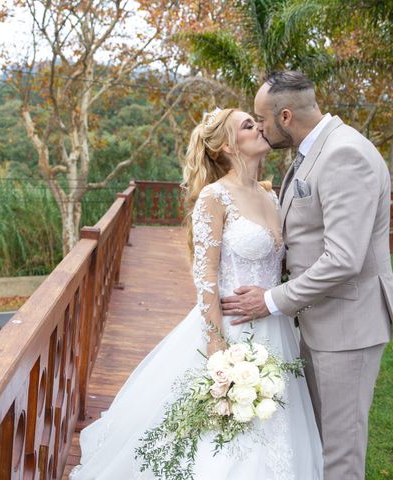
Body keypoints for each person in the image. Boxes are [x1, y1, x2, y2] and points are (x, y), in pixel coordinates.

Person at [69, 107, 323, 479]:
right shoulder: (214, 198)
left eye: (256, 122)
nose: (259, 128)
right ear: (224, 146)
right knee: (222, 435)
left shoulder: (272, 196)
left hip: (276, 328)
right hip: (231, 329)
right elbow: (204, 276)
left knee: (277, 429)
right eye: (248, 125)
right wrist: (217, 347)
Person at [222, 71, 393, 479]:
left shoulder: (343, 155)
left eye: (261, 119)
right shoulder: (313, 151)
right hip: (320, 320)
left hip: (348, 327)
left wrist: (269, 300)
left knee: (339, 454)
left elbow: (343, 259)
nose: (258, 127)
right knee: (317, 442)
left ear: (284, 116)